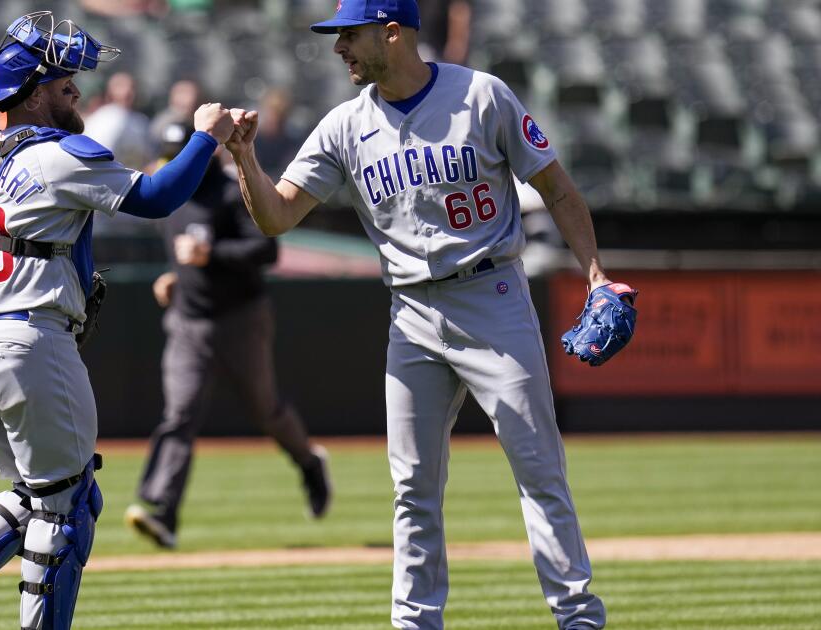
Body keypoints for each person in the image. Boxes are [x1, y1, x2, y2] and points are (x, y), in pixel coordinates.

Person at [222, 1, 626, 628]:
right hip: (410, 311)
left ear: (392, 31)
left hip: (492, 298)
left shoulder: (481, 95)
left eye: (349, 36)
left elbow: (557, 188)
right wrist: (245, 158)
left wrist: (595, 275)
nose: (338, 50)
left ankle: (578, 618)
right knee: (413, 489)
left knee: (539, 470)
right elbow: (276, 217)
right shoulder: (343, 127)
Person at [0, 11, 234, 630]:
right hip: (31, 338)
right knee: (67, 512)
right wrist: (204, 136)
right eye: (62, 80)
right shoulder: (61, 154)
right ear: (32, 90)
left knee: (39, 494)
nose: (75, 87)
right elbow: (155, 199)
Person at [124, 122, 332, 549]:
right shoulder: (170, 192)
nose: (172, 164)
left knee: (266, 410)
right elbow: (182, 254)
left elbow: (268, 250)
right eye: (168, 157)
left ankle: (309, 463)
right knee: (180, 414)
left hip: (240, 318)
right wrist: (175, 276)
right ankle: (163, 512)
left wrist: (210, 255)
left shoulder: (230, 191)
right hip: (188, 321)